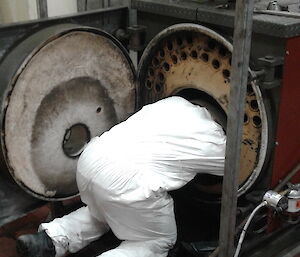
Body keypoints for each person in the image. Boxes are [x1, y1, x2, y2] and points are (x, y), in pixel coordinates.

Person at [16, 96, 226, 257]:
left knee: (103, 213)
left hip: (92, 159)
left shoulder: (175, 102)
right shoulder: (217, 143)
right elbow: (231, 179)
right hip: (127, 181)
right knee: (156, 241)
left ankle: (47, 241)